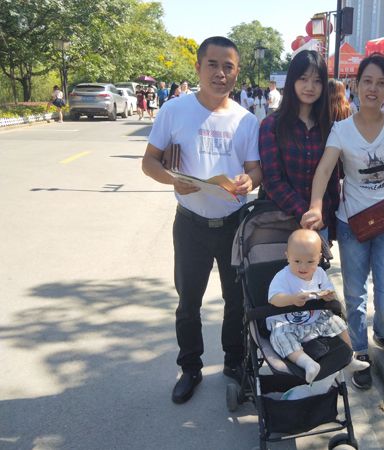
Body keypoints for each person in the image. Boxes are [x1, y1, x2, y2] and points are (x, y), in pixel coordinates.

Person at [141, 36, 262, 405]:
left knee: (235, 300)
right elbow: (149, 162)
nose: (220, 73)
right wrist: (172, 180)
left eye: (228, 67)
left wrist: (249, 181)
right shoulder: (174, 110)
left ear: (237, 73)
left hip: (233, 223)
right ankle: (190, 367)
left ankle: (233, 362)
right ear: (198, 67)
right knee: (188, 300)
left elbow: (255, 169)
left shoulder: (246, 120)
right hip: (190, 224)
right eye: (213, 64)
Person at [301, 52, 384, 390]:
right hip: (352, 225)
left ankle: (383, 332)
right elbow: (324, 170)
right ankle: (360, 350)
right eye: (367, 81)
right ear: (356, 85)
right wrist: (315, 207)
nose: (373, 89)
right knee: (354, 297)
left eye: (381, 83)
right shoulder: (341, 130)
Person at [268, 229, 370, 383]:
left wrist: (328, 295)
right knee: (279, 337)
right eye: (297, 261)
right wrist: (292, 299)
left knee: (338, 323)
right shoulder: (283, 276)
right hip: (287, 322)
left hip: (315, 318)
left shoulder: (320, 273)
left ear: (319, 258)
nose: (303, 267)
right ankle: (307, 363)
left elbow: (329, 290)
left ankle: (349, 358)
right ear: (287, 256)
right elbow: (274, 299)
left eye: (310, 262)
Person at [259, 50, 339, 237]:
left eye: (317, 81)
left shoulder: (328, 127)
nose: (310, 87)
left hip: (319, 224)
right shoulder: (272, 125)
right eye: (303, 79)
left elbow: (332, 179)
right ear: (292, 80)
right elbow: (272, 180)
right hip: (280, 222)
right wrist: (306, 212)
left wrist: (330, 220)